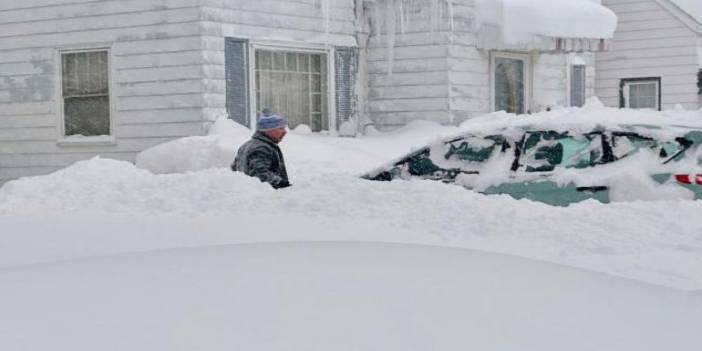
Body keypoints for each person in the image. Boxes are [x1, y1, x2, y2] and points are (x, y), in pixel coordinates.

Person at [232, 109, 291, 189]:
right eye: (281, 128)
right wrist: (280, 183)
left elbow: (234, 168)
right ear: (268, 130)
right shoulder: (262, 148)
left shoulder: (246, 145)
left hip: (247, 193)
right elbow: (259, 173)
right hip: (263, 197)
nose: (285, 132)